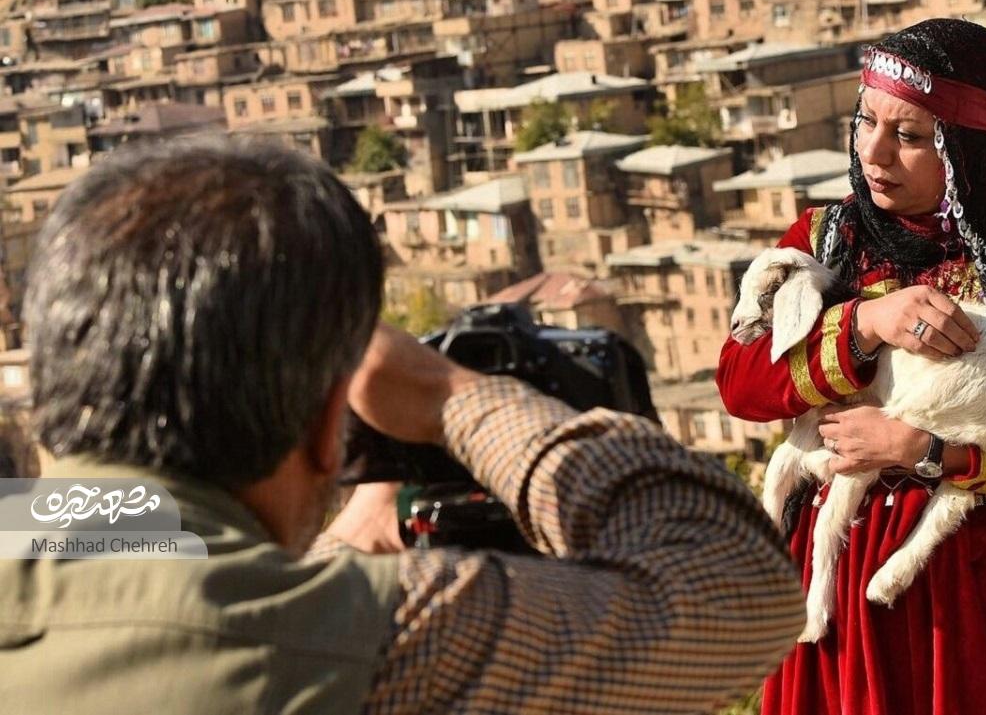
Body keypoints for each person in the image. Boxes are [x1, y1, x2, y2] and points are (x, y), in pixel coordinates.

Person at [0, 136, 805, 713]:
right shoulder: (358, 638)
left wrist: (340, 545)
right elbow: (738, 593)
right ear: (330, 424)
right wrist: (448, 397)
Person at [717, 19, 986, 715]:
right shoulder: (824, 241)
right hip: (842, 594)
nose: (875, 151)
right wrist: (864, 325)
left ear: (966, 148)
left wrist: (925, 450)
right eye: (866, 122)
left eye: (911, 136)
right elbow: (741, 384)